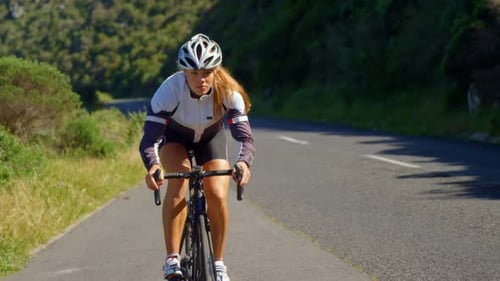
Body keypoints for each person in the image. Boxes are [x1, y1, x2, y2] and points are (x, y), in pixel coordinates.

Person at [139, 33, 255, 281]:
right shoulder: (169, 91)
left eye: (206, 72)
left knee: (216, 192)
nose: (201, 79)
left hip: (211, 139)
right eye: (193, 73)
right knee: (179, 182)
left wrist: (243, 162)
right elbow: (150, 140)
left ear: (215, 70)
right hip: (175, 139)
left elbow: (245, 139)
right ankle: (172, 260)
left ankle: (219, 263)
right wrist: (153, 166)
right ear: (183, 72)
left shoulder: (228, 93)